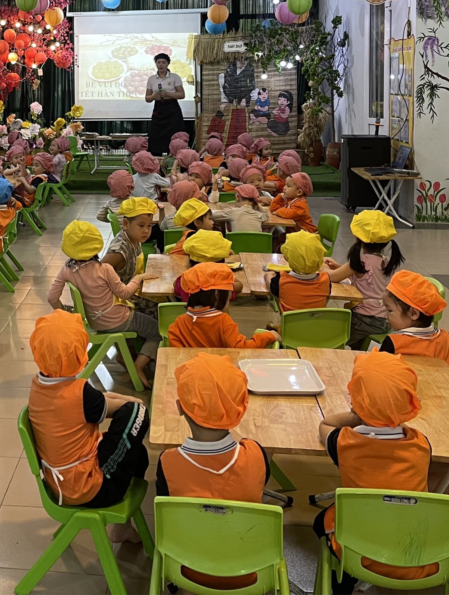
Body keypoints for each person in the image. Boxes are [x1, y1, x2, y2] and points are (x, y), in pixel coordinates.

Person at [315, 353, 449, 595]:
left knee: (322, 521)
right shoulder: (420, 444)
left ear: (355, 399)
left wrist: (356, 415)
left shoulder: (343, 443)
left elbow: (326, 424)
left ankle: (344, 580)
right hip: (419, 557)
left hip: (359, 554)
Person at [28, 310, 149, 542]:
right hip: (88, 488)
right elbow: (113, 407)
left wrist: (130, 401)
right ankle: (120, 520)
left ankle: (123, 527)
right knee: (137, 414)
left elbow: (102, 399)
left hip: (63, 483)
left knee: (138, 452)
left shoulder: (40, 385)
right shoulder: (79, 394)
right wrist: (136, 404)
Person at [156, 354, 272, 590]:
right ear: (240, 409)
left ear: (180, 408)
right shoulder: (256, 455)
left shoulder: (168, 463)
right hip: (251, 573)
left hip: (186, 570)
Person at [48, 220, 158, 388]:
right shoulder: (105, 269)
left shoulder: (66, 270)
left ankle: (128, 356)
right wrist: (139, 278)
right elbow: (125, 293)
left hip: (94, 322)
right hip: (119, 320)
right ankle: (138, 366)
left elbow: (52, 298)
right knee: (157, 330)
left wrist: (67, 313)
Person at [322, 210, 403, 351]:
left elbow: (331, 277)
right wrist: (339, 267)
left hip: (364, 319)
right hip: (384, 319)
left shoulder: (361, 261)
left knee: (332, 338)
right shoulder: (386, 261)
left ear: (357, 237)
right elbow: (365, 278)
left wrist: (323, 267)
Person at [168, 264, 278, 349]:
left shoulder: (178, 323)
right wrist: (269, 336)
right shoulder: (223, 321)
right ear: (217, 295)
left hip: (192, 370)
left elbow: (176, 354)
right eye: (228, 296)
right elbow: (241, 348)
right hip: (219, 369)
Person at [373, 271, 449, 366]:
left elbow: (377, 368)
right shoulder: (445, 339)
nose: (385, 315)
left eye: (389, 310)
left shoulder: (393, 342)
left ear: (413, 313)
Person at [269, 231, 330, 313]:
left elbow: (271, 288)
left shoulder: (280, 280)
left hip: (289, 322)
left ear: (286, 257)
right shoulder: (326, 280)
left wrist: (268, 275)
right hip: (317, 321)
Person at [102, 196, 156, 287]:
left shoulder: (135, 237)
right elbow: (96, 272)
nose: (146, 230)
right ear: (125, 224)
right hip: (123, 294)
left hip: (136, 287)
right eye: (141, 225)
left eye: (149, 225)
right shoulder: (119, 251)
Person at [146, 53, 187, 156]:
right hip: (158, 108)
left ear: (168, 64)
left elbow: (182, 95)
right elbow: (147, 98)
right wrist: (154, 96)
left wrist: (167, 94)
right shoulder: (151, 79)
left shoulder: (174, 77)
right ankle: (156, 159)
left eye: (163, 62)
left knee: (174, 134)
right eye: (158, 62)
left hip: (172, 108)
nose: (161, 64)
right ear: (156, 64)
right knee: (155, 135)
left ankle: (175, 157)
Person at [172, 230, 234, 299]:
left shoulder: (186, 278)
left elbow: (176, 287)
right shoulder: (224, 278)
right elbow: (239, 286)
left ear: (190, 260)